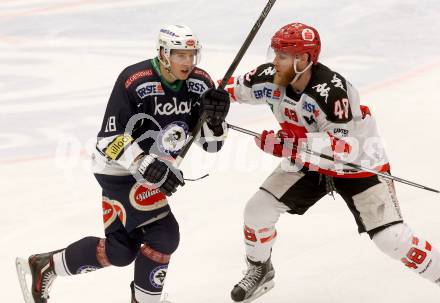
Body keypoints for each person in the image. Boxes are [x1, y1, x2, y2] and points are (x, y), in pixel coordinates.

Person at [224, 22, 440, 302]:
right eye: (275, 53)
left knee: (392, 240)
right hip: (308, 162)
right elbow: (228, 90)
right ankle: (260, 269)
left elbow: (344, 148)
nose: (274, 61)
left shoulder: (331, 90)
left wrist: (289, 144)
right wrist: (215, 100)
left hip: (358, 164)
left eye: (282, 56)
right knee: (256, 211)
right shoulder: (270, 77)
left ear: (303, 60)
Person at [16, 24, 230, 303]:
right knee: (165, 236)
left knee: (121, 251)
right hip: (118, 170)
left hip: (152, 172)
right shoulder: (136, 80)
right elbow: (108, 139)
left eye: (191, 55)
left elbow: (212, 145)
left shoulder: (200, 83)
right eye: (180, 55)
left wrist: (214, 122)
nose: (187, 62)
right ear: (164, 53)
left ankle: (46, 266)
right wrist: (143, 162)